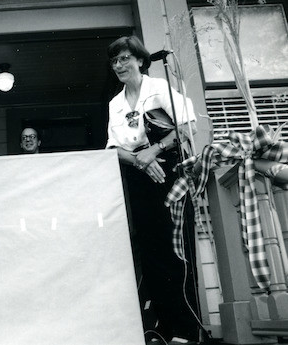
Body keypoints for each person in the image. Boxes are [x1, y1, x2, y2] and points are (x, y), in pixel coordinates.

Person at [105, 36, 200, 345]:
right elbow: (112, 148)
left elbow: (189, 125)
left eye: (124, 59)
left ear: (141, 61)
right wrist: (140, 160)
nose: (119, 65)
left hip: (170, 169)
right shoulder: (115, 104)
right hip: (139, 175)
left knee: (175, 247)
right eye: (115, 61)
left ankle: (187, 330)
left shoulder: (158, 89)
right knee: (150, 250)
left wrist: (155, 150)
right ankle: (163, 328)